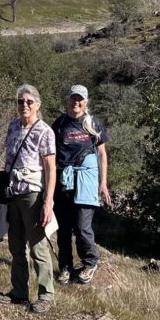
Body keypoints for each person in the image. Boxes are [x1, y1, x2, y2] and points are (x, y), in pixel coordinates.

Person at [0, 84, 57, 313]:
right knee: (16, 245)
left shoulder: (45, 131)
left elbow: (50, 168)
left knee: (38, 246)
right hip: (12, 192)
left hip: (32, 193)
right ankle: (19, 291)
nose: (25, 106)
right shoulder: (12, 126)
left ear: (38, 105)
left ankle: (46, 295)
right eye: (21, 101)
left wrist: (48, 201)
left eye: (29, 102)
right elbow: (8, 161)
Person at [52, 85, 112, 284]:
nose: (76, 102)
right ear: (67, 100)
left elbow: (102, 154)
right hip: (63, 182)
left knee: (82, 227)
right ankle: (65, 268)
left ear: (85, 102)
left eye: (80, 99)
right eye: (73, 98)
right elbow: (50, 155)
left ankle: (89, 263)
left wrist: (103, 184)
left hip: (85, 183)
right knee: (63, 229)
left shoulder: (92, 123)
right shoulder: (60, 124)